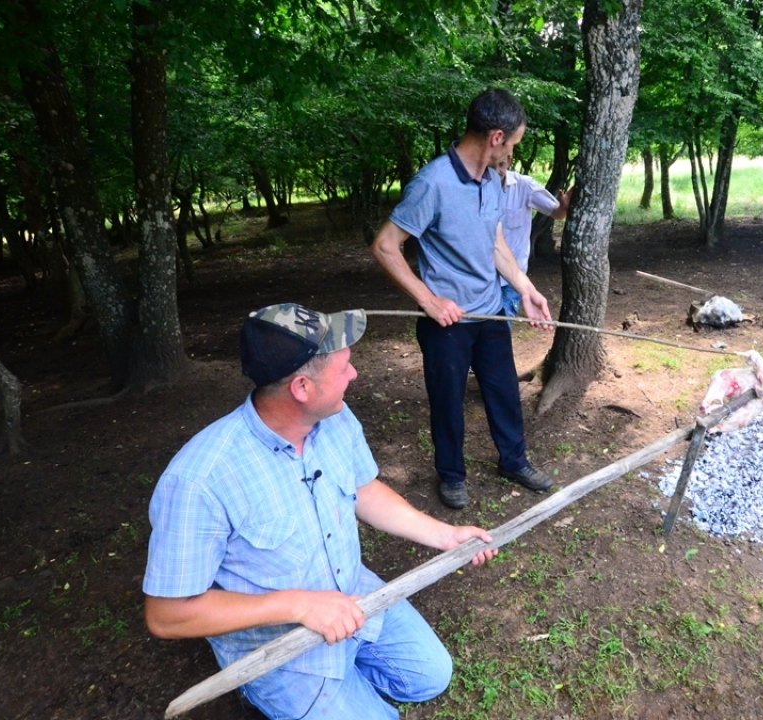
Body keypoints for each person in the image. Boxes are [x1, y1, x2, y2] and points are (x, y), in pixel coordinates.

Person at [143, 303, 498, 720]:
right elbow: (166, 616)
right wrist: (300, 606)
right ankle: (278, 692)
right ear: (301, 388)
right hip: (280, 647)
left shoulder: (335, 417)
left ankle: (345, 683)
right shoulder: (199, 479)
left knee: (428, 676)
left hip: (354, 593)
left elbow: (364, 490)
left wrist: (443, 535)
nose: (354, 375)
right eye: (344, 366)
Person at [371, 88, 554, 510]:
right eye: (511, 144)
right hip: (446, 324)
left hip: (489, 315)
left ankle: (514, 461)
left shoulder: (491, 182)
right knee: (447, 401)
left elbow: (495, 244)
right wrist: (430, 301)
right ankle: (451, 475)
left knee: (504, 391)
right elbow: (385, 246)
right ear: (495, 137)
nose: (511, 154)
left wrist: (526, 289)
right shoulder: (432, 183)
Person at [494, 154, 571, 320]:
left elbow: (555, 212)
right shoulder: (476, 188)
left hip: (511, 281)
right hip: (481, 279)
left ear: (508, 160)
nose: (496, 171)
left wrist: (563, 208)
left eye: (500, 165)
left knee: (500, 330)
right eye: (491, 166)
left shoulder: (524, 186)